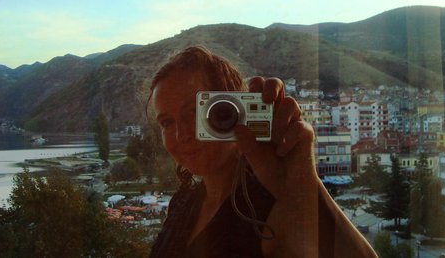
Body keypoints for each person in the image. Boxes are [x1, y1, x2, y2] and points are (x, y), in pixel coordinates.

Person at [148, 46, 377, 258]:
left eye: (193, 112)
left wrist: (303, 187)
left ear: (234, 107)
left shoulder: (272, 210)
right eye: (167, 122)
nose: (181, 135)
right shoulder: (183, 201)